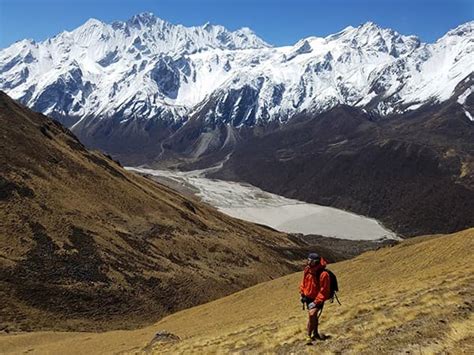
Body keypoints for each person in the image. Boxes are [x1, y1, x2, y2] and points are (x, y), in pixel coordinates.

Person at [299, 252, 330, 343]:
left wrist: (316, 302)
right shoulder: (307, 270)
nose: (308, 262)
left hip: (317, 299)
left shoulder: (324, 274)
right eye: (308, 260)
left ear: (315, 261)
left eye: (310, 261)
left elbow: (324, 291)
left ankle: (308, 336)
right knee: (314, 317)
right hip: (308, 297)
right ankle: (315, 333)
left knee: (312, 315)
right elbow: (303, 283)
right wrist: (302, 294)